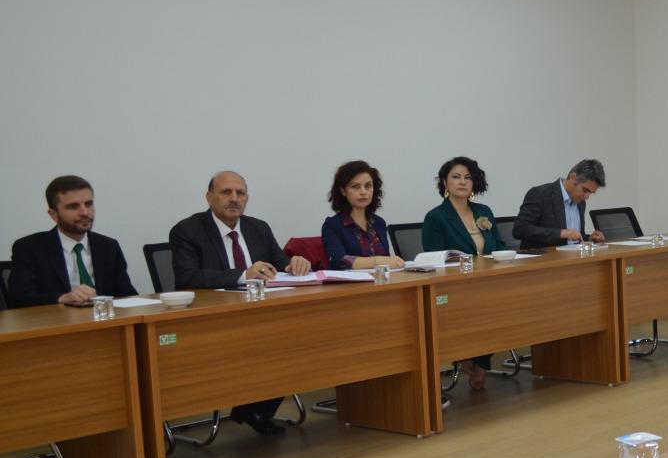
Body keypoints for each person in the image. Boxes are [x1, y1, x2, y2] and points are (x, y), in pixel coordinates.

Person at [170, 170, 311, 434]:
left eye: (240, 193)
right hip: (216, 317)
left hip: (261, 313)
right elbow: (187, 276)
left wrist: (295, 264)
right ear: (209, 197)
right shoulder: (187, 230)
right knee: (270, 342)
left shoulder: (258, 228)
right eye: (226, 192)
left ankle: (254, 410)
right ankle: (251, 409)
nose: (234, 199)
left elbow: (281, 265)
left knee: (300, 336)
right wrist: (243, 275)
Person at [421, 156, 504, 390]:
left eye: (468, 178)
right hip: (454, 286)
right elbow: (434, 256)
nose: (462, 182)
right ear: (445, 183)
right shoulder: (436, 217)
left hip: (486, 281)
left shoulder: (483, 211)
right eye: (456, 177)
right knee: (486, 306)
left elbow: (498, 244)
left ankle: (478, 361)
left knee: (504, 302)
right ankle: (475, 360)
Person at [9, 175, 138, 307]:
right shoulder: (29, 248)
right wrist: (62, 298)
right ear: (54, 214)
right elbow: (19, 298)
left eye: (88, 204)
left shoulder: (108, 246)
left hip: (104, 317)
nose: (85, 212)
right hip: (57, 319)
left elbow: (126, 294)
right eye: (73, 206)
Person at [321, 160, 403, 270]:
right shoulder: (332, 225)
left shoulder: (379, 222)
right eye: (355, 186)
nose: (363, 192)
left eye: (368, 186)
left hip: (381, 279)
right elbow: (338, 261)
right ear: (343, 191)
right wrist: (377, 261)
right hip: (350, 281)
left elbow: (386, 261)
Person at [513, 160, 607, 248]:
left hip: (573, 258)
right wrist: (561, 233)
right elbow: (519, 229)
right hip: (542, 258)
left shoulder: (581, 202)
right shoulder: (540, 194)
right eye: (585, 190)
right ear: (573, 178)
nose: (587, 196)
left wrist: (589, 238)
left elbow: (571, 240)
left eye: (591, 193)